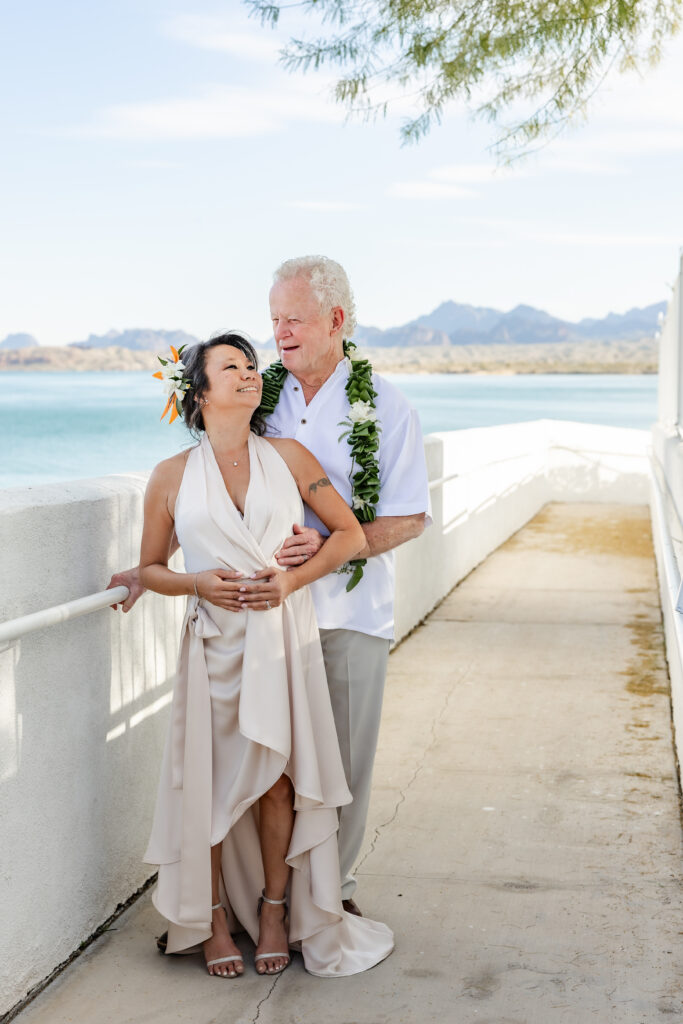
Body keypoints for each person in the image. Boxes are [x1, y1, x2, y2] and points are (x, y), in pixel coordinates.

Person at [109, 256, 430, 915]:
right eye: (273, 320)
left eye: (294, 319)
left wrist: (335, 545)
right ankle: (261, 902)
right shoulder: (261, 394)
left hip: (347, 610)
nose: (279, 333)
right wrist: (153, 565)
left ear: (335, 320)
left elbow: (410, 515)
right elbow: (212, 487)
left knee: (336, 768)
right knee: (267, 768)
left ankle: (328, 902)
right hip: (259, 621)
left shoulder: (387, 407)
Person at [138, 331, 393, 978]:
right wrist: (195, 583)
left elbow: (349, 535)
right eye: (231, 367)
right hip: (212, 648)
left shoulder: (288, 454)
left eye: (252, 365)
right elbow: (149, 570)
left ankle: (276, 909)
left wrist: (291, 581)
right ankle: (215, 917)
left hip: (282, 639)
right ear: (198, 391)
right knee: (211, 785)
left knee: (280, 782)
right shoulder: (169, 477)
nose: (250, 374)